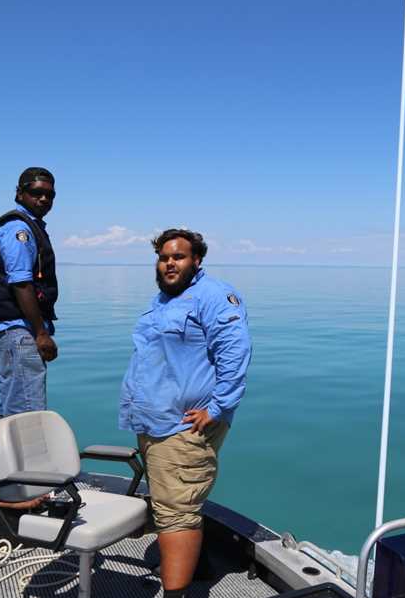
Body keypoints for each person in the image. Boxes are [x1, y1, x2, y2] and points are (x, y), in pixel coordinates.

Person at [119, 229, 251, 598]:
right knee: (174, 502)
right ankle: (194, 566)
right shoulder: (162, 300)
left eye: (178, 256)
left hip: (182, 425)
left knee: (176, 511)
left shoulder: (214, 296)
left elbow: (235, 353)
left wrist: (217, 408)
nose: (169, 262)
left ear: (197, 260)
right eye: (164, 257)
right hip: (154, 422)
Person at [0, 167, 58, 418]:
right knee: (28, 412)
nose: (43, 199)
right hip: (21, 331)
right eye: (36, 193)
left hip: (15, 331)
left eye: (50, 195)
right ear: (20, 194)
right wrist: (40, 333)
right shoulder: (20, 230)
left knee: (12, 406)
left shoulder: (28, 227)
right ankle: (27, 458)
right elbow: (21, 283)